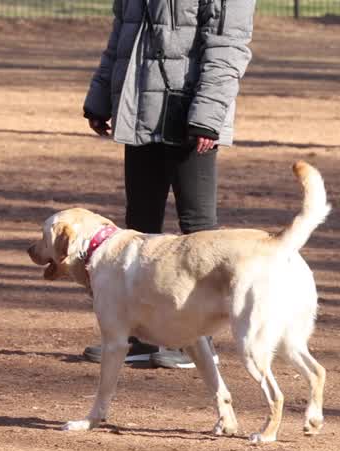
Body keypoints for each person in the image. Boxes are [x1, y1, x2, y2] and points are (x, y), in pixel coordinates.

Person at [81, 0, 255, 369]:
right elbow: (121, 38)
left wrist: (207, 116)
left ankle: (197, 341)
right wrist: (100, 97)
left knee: (199, 233)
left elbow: (228, 45)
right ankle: (142, 338)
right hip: (139, 112)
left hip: (192, 118)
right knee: (139, 227)